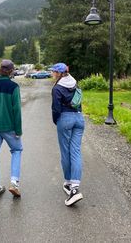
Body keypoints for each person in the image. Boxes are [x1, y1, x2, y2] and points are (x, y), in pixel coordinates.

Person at [0, 59, 23, 199]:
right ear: (12, 71)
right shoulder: (14, 87)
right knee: (17, 150)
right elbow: (17, 111)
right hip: (9, 127)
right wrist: (18, 131)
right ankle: (14, 182)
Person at [51, 63, 85, 206]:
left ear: (59, 73)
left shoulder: (57, 88)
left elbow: (56, 108)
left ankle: (69, 185)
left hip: (65, 119)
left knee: (66, 152)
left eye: (53, 72)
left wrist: (56, 121)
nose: (52, 73)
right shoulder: (75, 83)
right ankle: (75, 186)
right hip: (79, 118)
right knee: (75, 151)